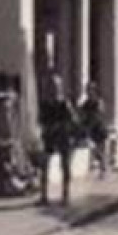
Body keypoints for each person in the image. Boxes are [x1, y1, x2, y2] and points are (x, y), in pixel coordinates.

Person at [37, 75, 79, 206]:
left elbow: (73, 120)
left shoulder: (64, 104)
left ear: (60, 88)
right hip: (49, 136)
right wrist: (45, 128)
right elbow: (40, 120)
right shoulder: (44, 105)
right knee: (44, 166)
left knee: (64, 166)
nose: (52, 90)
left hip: (63, 137)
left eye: (55, 87)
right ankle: (43, 196)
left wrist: (61, 126)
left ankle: (65, 196)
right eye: (50, 86)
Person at [77, 80, 110, 179]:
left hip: (100, 129)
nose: (89, 92)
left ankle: (103, 170)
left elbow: (99, 115)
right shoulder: (86, 104)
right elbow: (82, 114)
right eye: (88, 90)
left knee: (101, 150)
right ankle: (102, 168)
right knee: (95, 150)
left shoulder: (98, 102)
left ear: (94, 91)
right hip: (92, 130)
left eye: (91, 90)